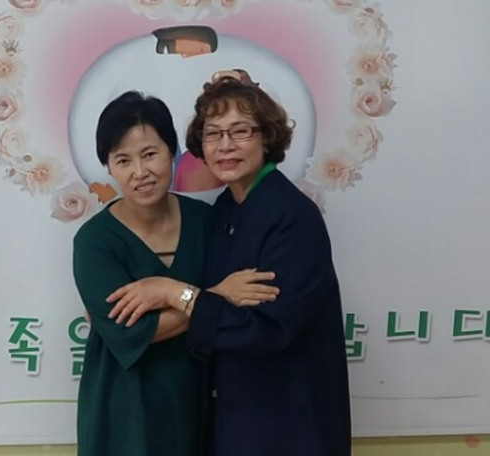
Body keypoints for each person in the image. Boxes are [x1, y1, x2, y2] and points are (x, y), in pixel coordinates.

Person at [107, 76, 352, 456]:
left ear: (267, 137)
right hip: (232, 414)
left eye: (240, 131)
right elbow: (217, 302)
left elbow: (268, 329)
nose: (225, 145)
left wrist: (174, 293)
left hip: (288, 420)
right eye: (213, 133)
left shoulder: (291, 217)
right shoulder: (224, 209)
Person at [72, 90, 278, 456]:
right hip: (125, 412)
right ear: (109, 167)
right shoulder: (95, 242)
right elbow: (133, 333)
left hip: (200, 402)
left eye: (150, 154)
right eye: (123, 160)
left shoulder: (207, 221)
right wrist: (215, 296)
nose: (140, 172)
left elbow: (244, 304)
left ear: (172, 152)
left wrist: (176, 296)